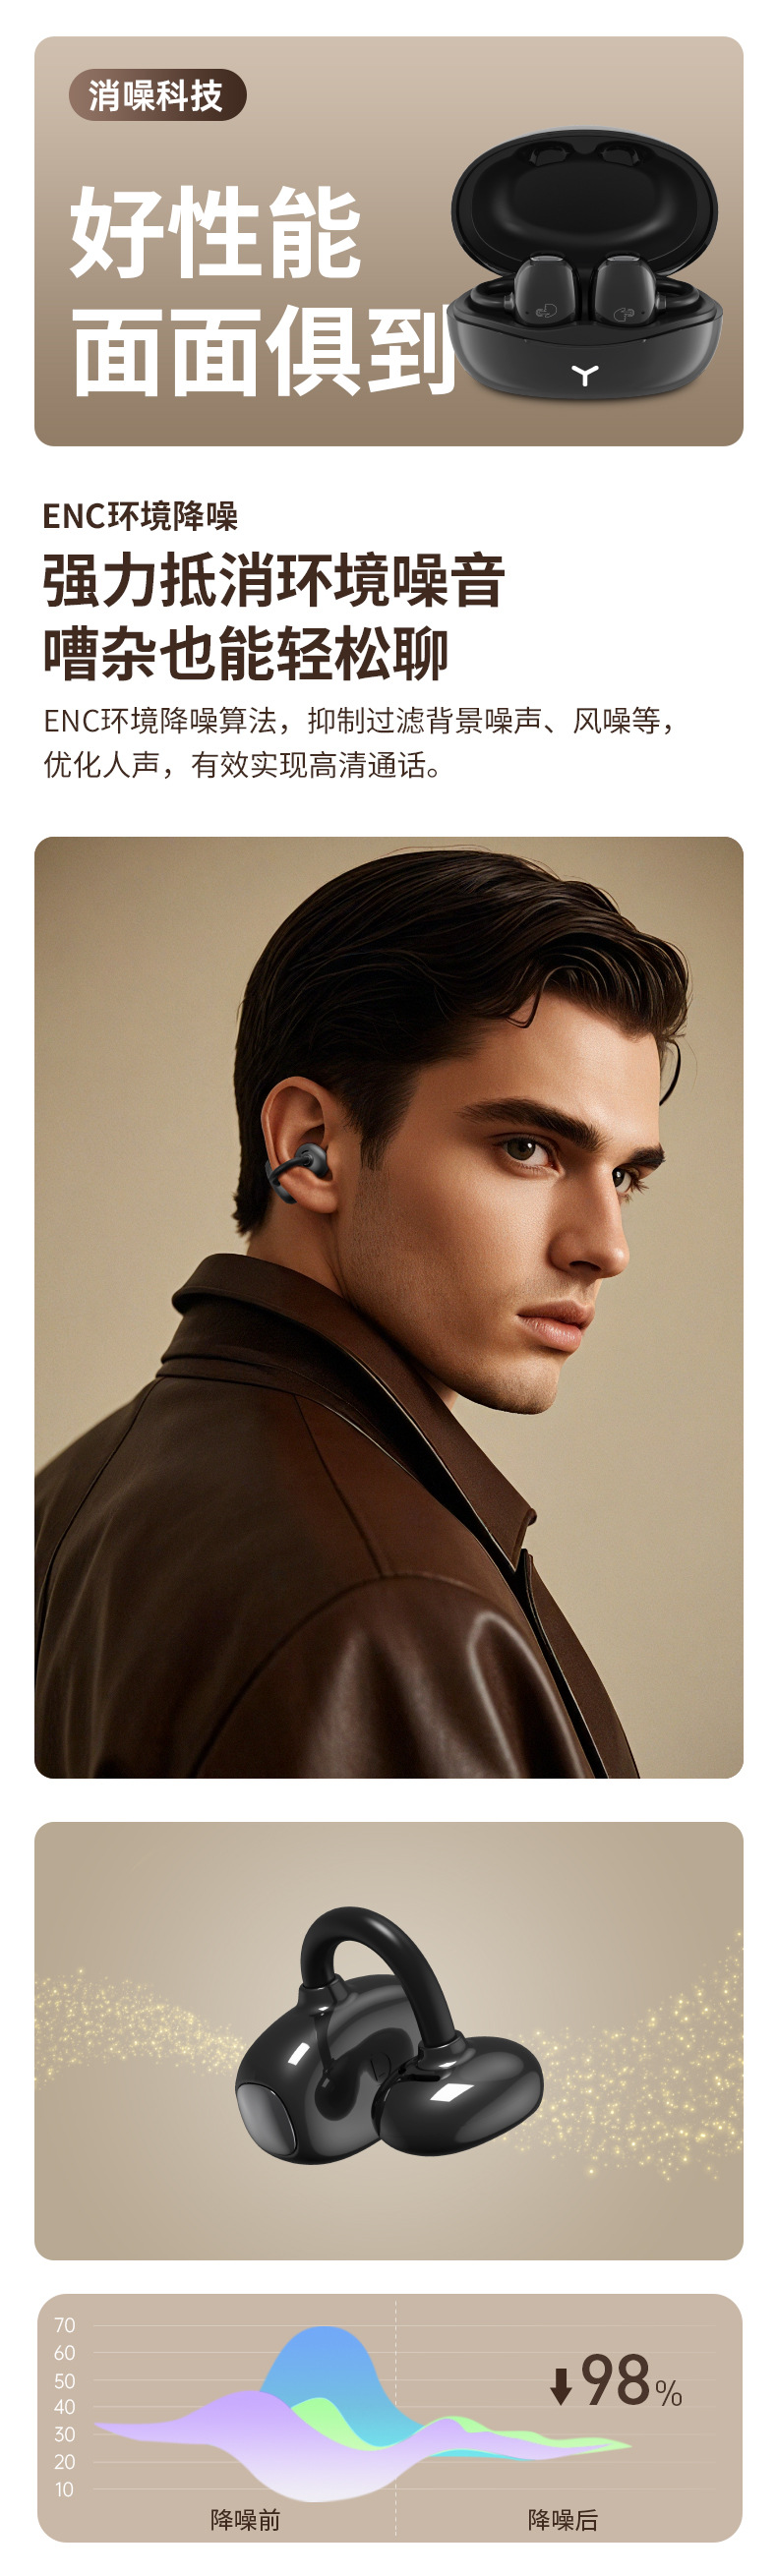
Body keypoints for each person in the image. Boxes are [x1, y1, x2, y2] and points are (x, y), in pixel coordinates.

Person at [35, 847, 688, 1779]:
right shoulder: (396, 1612)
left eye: (624, 1177)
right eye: (527, 1147)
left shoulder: (70, 1493)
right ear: (309, 1148)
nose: (606, 1247)